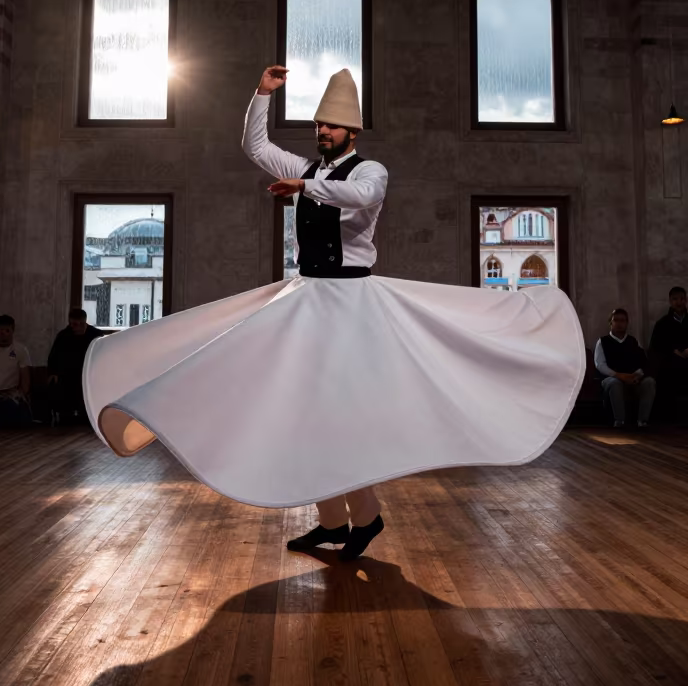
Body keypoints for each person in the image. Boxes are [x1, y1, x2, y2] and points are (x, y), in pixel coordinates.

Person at [81, 65, 585, 563]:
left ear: (352, 131)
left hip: (352, 305)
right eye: (317, 126)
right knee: (309, 414)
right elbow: (255, 149)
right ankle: (334, 522)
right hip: (309, 299)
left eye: (330, 126)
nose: (321, 132)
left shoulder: (370, 171)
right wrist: (261, 95)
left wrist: (304, 188)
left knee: (338, 416)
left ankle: (363, 519)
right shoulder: (309, 169)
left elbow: (363, 196)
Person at [594, 308, 656, 428]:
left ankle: (642, 421)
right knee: (615, 383)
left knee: (649, 382)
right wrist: (619, 375)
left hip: (632, 378)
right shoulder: (602, 342)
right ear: (610, 323)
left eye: (622, 320)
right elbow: (600, 365)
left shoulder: (633, 341)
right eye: (616, 320)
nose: (619, 323)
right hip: (611, 378)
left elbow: (643, 363)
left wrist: (636, 375)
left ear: (627, 323)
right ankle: (620, 421)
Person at [47, 308, 105, 424]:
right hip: (69, 374)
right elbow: (53, 357)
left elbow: (105, 355)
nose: (78, 327)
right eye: (74, 324)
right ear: (70, 323)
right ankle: (65, 416)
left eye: (81, 324)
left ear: (86, 322)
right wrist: (53, 372)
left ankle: (89, 417)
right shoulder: (63, 336)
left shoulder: (96, 335)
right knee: (61, 384)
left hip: (90, 373)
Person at [649, 286, 688, 414]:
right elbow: (655, 346)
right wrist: (673, 351)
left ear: (686, 300)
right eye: (675, 299)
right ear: (670, 301)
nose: (679, 302)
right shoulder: (662, 324)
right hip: (669, 363)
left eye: (682, 299)